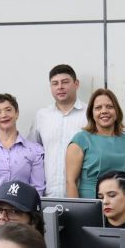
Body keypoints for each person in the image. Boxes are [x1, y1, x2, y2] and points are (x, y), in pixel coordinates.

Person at [66, 88, 125, 198]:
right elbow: (71, 183)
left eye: (109, 107)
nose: (104, 111)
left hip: (122, 208)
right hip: (90, 207)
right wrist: (76, 212)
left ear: (117, 111)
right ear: (92, 113)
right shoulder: (80, 140)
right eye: (98, 108)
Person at [28, 64, 87, 197]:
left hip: (81, 195)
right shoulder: (42, 116)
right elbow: (33, 153)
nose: (60, 87)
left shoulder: (89, 114)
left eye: (65, 82)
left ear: (76, 84)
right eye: (55, 83)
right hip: (48, 195)